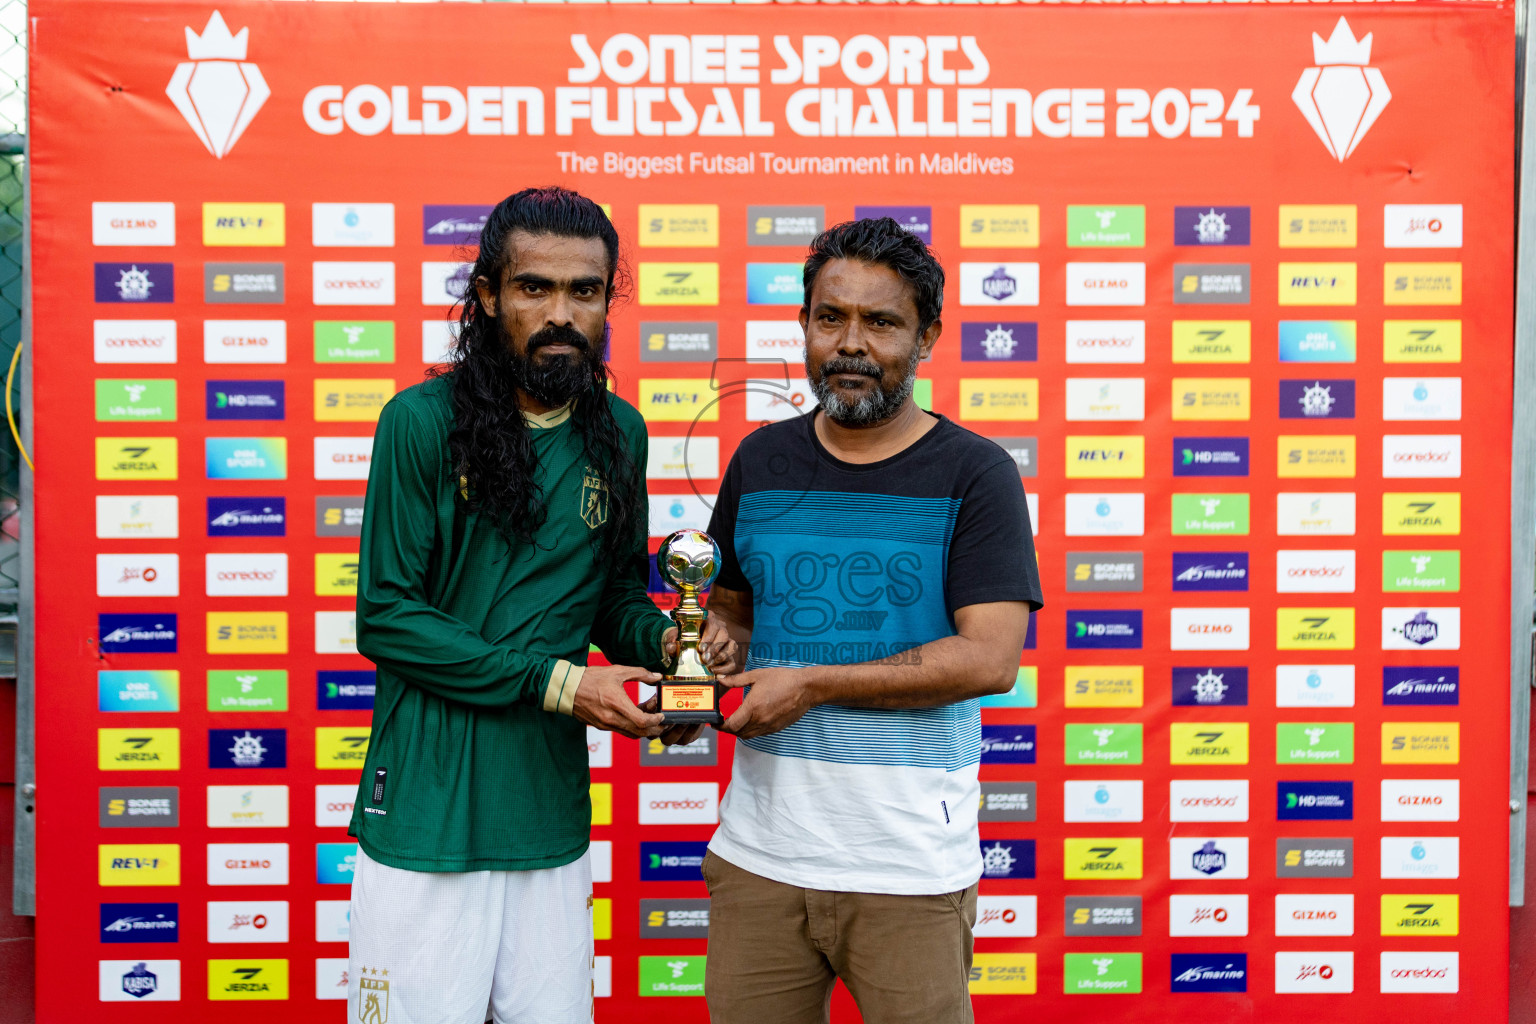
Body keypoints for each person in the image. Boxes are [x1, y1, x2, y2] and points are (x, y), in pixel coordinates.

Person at [346, 187, 698, 1024]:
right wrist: (561, 684)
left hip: (545, 807)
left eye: (585, 291)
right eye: (535, 288)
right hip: (430, 809)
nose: (560, 314)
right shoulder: (421, 422)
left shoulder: (620, 429)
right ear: (488, 296)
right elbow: (387, 615)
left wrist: (678, 646)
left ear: (608, 299)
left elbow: (613, 598)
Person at [699, 216, 1044, 1024]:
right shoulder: (761, 459)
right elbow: (732, 616)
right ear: (805, 326)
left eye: (881, 322)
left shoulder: (976, 473)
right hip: (759, 858)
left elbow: (990, 660)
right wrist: (709, 664)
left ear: (927, 336)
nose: (851, 344)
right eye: (831, 318)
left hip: (909, 869)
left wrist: (813, 683)